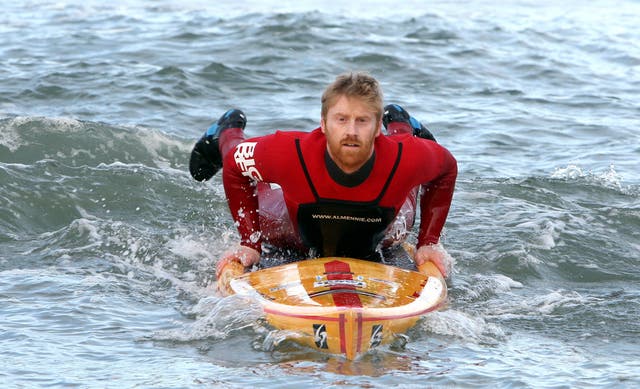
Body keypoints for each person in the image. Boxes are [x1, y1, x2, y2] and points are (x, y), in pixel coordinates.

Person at [189, 72, 457, 282]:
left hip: (380, 236)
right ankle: (227, 129)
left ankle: (400, 123)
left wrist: (428, 243)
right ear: (323, 123)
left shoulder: (405, 157)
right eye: (341, 119)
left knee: (406, 184)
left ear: (377, 127)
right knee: (261, 196)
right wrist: (249, 242)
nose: (351, 131)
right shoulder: (290, 152)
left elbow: (446, 168)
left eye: (362, 121)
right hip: (294, 234)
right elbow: (237, 165)